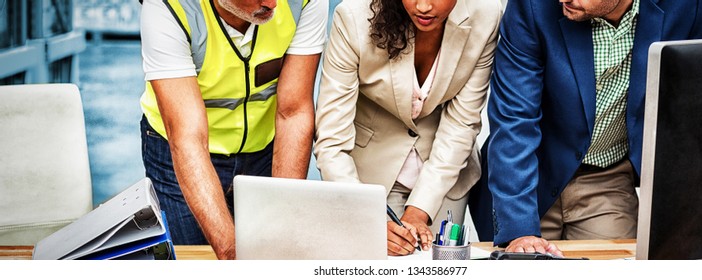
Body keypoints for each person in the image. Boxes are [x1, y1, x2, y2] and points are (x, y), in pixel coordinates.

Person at [486, 0, 702, 255]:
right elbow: (514, 118)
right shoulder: (532, 5)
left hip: (607, 177)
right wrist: (519, 230)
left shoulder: (685, 7)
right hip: (530, 173)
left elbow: (694, 118)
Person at [138, 0, 326, 259]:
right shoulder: (168, 7)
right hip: (180, 152)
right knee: (192, 260)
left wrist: (283, 225)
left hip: (265, 149)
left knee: (277, 251)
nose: (272, 3)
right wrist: (231, 254)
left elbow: (292, 113)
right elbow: (188, 138)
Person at [313, 0, 502, 256]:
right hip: (367, 178)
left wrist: (420, 210)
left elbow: (462, 123)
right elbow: (331, 139)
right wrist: (367, 218)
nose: (423, 6)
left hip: (444, 173)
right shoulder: (353, 17)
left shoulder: (487, 14)